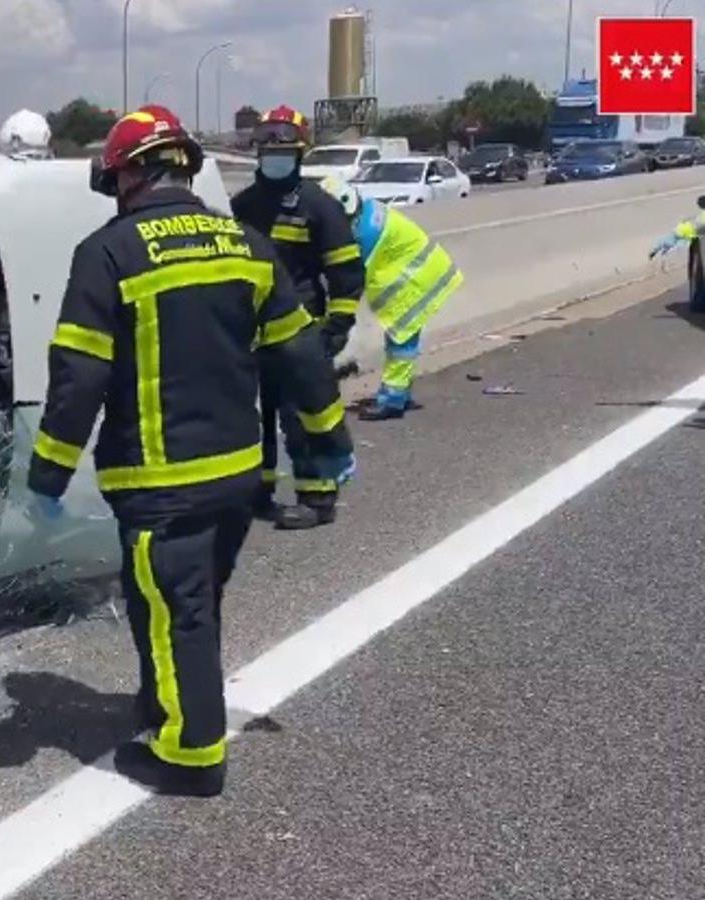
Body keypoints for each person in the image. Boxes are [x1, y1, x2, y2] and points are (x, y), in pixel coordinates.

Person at [24, 106, 355, 797]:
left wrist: (48, 474)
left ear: (129, 175)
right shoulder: (244, 243)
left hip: (159, 482)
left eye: (114, 179)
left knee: (180, 611)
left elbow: (79, 374)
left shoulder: (108, 252)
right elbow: (301, 358)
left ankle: (191, 755)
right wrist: (329, 443)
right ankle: (163, 702)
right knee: (183, 603)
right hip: (237, 477)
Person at [231, 105, 366, 530]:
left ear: (300, 152)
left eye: (283, 147)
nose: (273, 154)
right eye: (266, 146)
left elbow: (345, 274)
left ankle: (317, 498)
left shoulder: (319, 206)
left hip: (301, 332)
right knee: (254, 417)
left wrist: (336, 328)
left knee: (303, 416)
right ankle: (260, 492)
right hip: (250, 334)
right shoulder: (242, 206)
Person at [319, 175, 464, 419]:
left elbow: (348, 279)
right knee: (403, 340)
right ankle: (401, 394)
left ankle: (393, 401)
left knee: (401, 341)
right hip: (425, 272)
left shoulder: (364, 235)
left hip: (411, 283)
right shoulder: (366, 210)